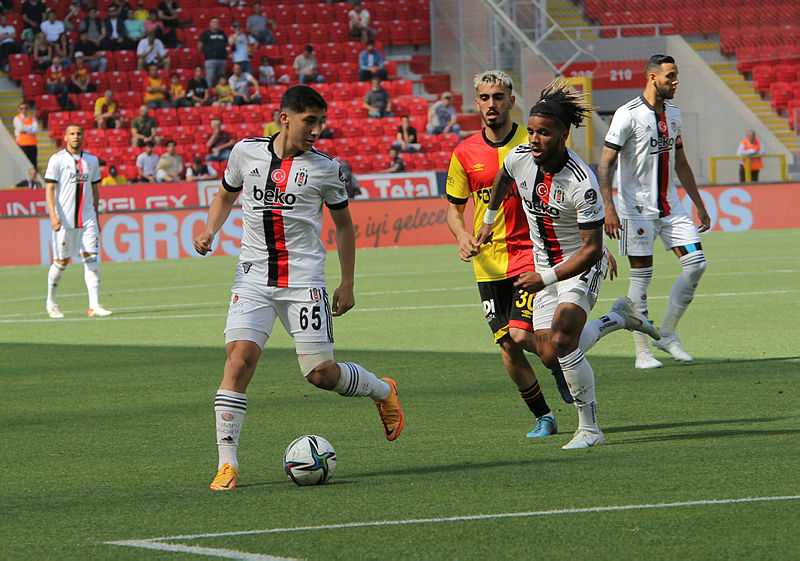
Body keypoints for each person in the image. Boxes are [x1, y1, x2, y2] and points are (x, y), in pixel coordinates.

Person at [194, 85, 404, 491]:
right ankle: (227, 464)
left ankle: (382, 389)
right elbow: (223, 196)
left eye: (321, 122)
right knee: (239, 361)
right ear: (284, 117)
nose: (317, 130)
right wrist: (209, 231)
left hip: (303, 280)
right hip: (252, 276)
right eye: (310, 120)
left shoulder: (326, 167)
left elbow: (344, 226)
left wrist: (347, 282)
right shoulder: (245, 152)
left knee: (321, 375)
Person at [475, 80, 658, 449]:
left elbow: (591, 249)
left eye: (544, 133)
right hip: (545, 267)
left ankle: (590, 429)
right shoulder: (520, 157)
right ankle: (618, 318)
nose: (535, 139)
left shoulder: (582, 183)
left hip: (578, 266)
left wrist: (544, 277)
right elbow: (503, 177)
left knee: (560, 339)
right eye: (532, 131)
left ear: (563, 135)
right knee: (549, 353)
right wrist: (489, 219)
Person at [447, 71, 569, 438]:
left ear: (511, 101)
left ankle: (557, 362)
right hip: (486, 264)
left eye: (498, 97)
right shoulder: (464, 153)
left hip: (529, 254)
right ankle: (544, 416)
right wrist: (461, 235)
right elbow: (453, 208)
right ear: (476, 102)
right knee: (507, 347)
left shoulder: (534, 139)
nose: (491, 104)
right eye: (484, 98)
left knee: (519, 336)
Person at [598, 54, 710, 369]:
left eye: (676, 76)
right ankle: (642, 350)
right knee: (642, 277)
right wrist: (609, 207)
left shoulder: (674, 114)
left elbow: (682, 162)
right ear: (652, 77)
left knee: (696, 264)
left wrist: (699, 204)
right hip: (635, 209)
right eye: (670, 77)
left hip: (670, 206)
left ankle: (668, 334)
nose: (675, 82)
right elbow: (605, 162)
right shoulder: (627, 114)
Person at [44, 124, 112, 319]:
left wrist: (97, 218)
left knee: (91, 259)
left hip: (88, 218)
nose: (75, 137)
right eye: (72, 134)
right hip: (64, 220)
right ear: (65, 137)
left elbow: (96, 191)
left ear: (83, 136)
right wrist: (53, 216)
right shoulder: (56, 160)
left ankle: (94, 306)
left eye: (78, 133)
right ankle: (51, 301)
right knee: (62, 262)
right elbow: (49, 189)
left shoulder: (91, 160)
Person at [198, 17, 227, 91]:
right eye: (213, 22)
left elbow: (226, 44)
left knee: (221, 81)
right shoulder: (205, 33)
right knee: (209, 80)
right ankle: (209, 98)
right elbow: (199, 46)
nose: (215, 24)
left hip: (222, 60)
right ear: (210, 24)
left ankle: (220, 97)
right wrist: (207, 54)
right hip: (210, 60)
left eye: (217, 22)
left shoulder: (222, 33)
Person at [14, 102, 39, 169]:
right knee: (23, 165)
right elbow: (20, 128)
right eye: (21, 108)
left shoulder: (32, 118)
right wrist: (30, 127)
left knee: (33, 165)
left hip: (32, 145)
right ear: (19, 110)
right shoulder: (17, 118)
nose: (24, 110)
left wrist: (25, 128)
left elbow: (36, 129)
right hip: (22, 145)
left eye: (25, 108)